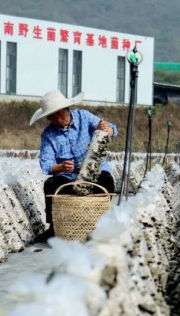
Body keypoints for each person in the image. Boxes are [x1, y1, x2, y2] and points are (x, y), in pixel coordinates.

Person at [29, 90, 118, 241]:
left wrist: (107, 129)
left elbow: (111, 129)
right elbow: (46, 165)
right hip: (68, 178)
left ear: (67, 109)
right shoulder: (48, 135)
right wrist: (61, 167)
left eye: (59, 114)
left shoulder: (84, 117)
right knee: (51, 185)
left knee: (107, 180)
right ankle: (53, 228)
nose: (57, 119)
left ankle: (103, 224)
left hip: (93, 172)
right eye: (52, 117)